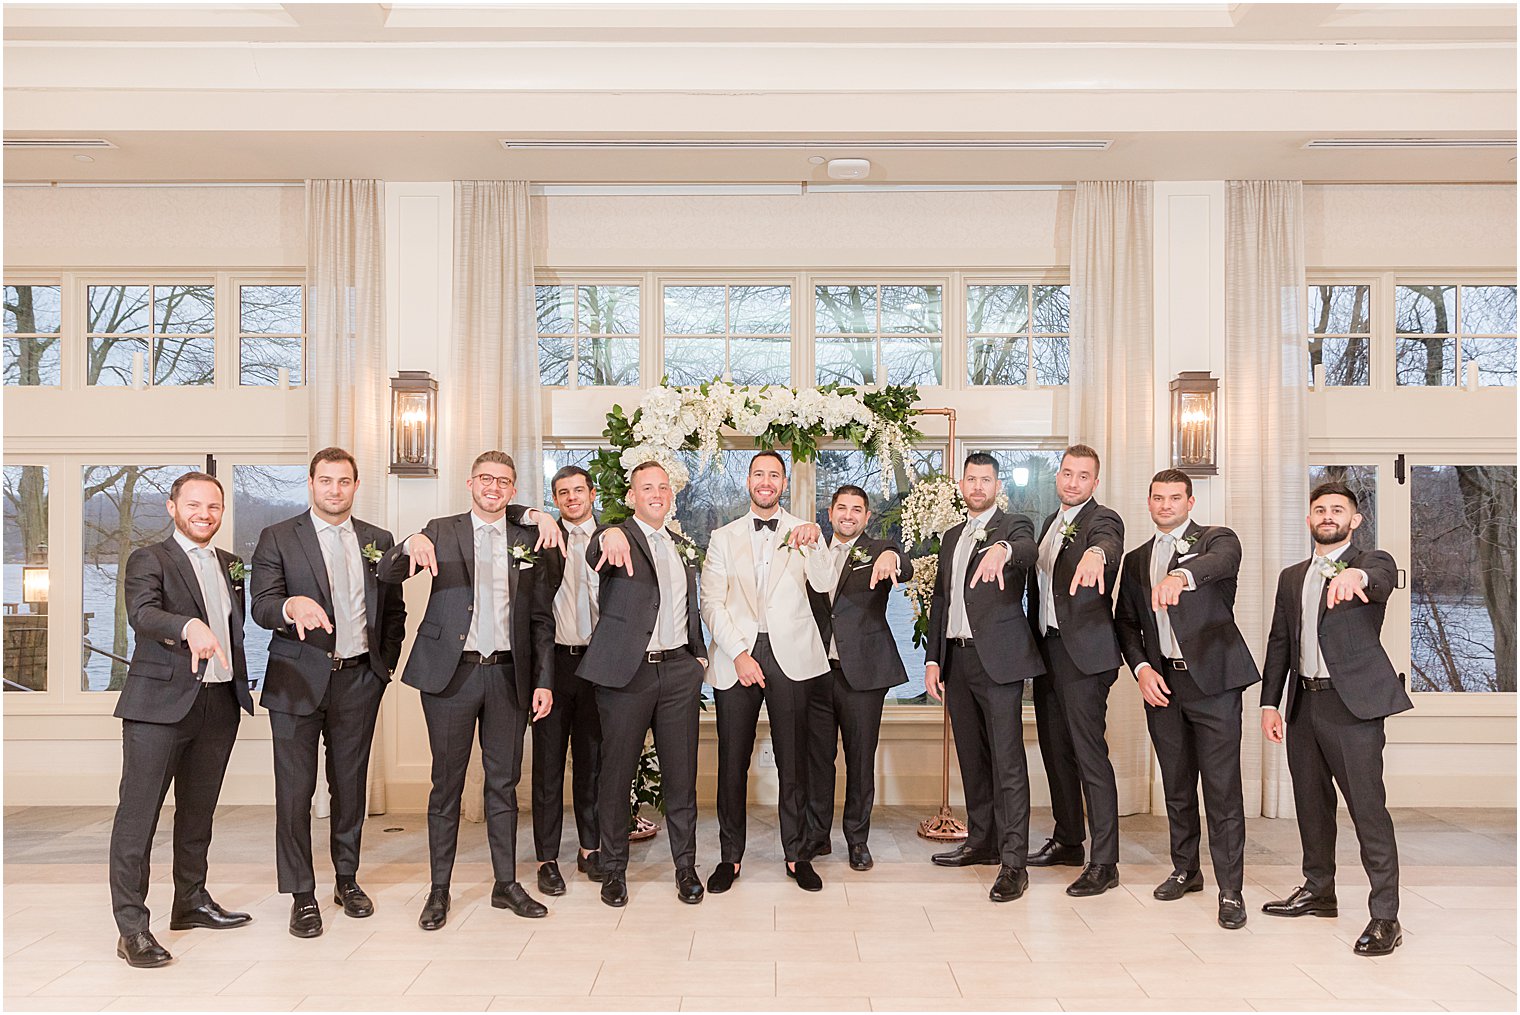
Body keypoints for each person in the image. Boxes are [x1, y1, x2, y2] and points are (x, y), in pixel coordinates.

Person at [376, 451, 558, 929]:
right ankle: (439, 890)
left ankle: (505, 884)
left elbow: (540, 617)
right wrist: (409, 542)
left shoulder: (527, 538)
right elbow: (387, 573)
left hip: (508, 676)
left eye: (503, 481)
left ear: (513, 491)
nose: (493, 487)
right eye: (485, 479)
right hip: (449, 675)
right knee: (446, 785)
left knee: (504, 784)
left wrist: (542, 680)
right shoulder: (440, 529)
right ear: (469, 482)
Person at [250, 446, 407, 938]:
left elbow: (393, 613)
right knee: (295, 792)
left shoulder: (378, 540)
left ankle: (346, 878)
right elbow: (261, 604)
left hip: (360, 680)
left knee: (350, 787)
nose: (334, 490)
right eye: (326, 481)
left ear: (355, 486)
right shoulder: (278, 537)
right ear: (311, 484)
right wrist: (290, 605)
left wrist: (381, 670)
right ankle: (301, 893)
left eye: (344, 481)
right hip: (296, 680)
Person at [108, 471, 256, 968]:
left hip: (218, 704)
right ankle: (132, 929)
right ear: (173, 508)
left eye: (213, 506)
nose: (204, 514)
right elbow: (143, 614)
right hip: (158, 708)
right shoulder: (150, 559)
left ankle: (190, 902)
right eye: (194, 505)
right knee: (138, 818)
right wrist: (188, 625)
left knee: (198, 813)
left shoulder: (231, 564)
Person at [1260, 481, 1412, 956]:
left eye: (1338, 509)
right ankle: (1319, 890)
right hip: (1304, 704)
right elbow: (1280, 641)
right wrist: (1270, 702)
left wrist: (1357, 578)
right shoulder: (1291, 576)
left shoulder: (1372, 561)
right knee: (1311, 804)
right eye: (1320, 509)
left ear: (1354, 520)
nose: (1328, 515)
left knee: (1368, 811)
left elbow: (1381, 576)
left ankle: (1385, 917)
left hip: (1353, 707)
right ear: (1309, 519)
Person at [1113, 469, 1259, 930]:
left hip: (1213, 683)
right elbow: (1125, 623)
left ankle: (1231, 890)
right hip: (1163, 686)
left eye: (1175, 498)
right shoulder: (1136, 560)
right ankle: (1185, 869)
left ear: (1190, 502)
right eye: (1157, 498)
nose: (1166, 505)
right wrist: (1141, 669)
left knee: (1221, 789)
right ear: (1149, 502)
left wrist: (1181, 576)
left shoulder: (1218, 540)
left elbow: (1222, 561)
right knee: (1176, 785)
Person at [577, 460, 708, 908]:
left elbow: (687, 604)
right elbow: (597, 551)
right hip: (625, 674)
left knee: (682, 775)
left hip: (677, 673)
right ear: (631, 497)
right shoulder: (617, 536)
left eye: (663, 487)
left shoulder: (679, 545)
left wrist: (699, 655)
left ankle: (686, 868)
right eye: (646, 487)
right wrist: (608, 532)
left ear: (672, 495)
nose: (656, 493)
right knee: (616, 776)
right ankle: (613, 871)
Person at [699, 451, 830, 893]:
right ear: (748, 480)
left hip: (792, 653)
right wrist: (738, 652)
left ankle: (797, 855)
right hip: (738, 652)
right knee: (732, 760)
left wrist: (814, 544)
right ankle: (729, 858)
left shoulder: (804, 530)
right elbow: (711, 603)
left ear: (785, 483)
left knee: (794, 761)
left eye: (775, 475)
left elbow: (825, 584)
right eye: (759, 473)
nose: (766, 481)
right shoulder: (722, 537)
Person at [923, 453, 1042, 904]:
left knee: (1008, 763)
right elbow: (941, 600)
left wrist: (1003, 548)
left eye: (985, 480)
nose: (977, 486)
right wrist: (933, 660)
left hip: (1000, 662)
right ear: (960, 483)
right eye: (970, 479)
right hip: (957, 660)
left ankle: (1015, 863)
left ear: (997, 484)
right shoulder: (952, 536)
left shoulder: (1015, 526)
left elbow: (1028, 552)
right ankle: (982, 841)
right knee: (972, 758)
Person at [1025, 444, 1125, 896]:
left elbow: (1108, 542)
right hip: (1047, 651)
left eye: (1083, 476)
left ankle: (1105, 861)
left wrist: (1096, 555)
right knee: (1054, 750)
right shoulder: (1049, 523)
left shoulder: (1102, 520)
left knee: (1089, 756)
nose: (1073, 482)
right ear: (1058, 475)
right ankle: (1068, 839)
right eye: (1067, 473)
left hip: (1083, 656)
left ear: (1095, 482)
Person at [800, 484, 911, 871]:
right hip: (816, 672)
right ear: (829, 513)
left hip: (863, 673)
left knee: (860, 760)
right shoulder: (811, 550)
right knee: (818, 759)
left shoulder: (879, 550)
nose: (848, 515)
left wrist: (893, 555)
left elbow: (905, 565)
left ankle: (857, 839)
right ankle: (816, 836)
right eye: (841, 508)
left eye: (857, 510)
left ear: (866, 516)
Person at [532, 465, 605, 897]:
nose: (572, 498)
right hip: (554, 666)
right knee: (547, 767)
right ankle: (546, 859)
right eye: (563, 493)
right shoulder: (541, 539)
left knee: (593, 764)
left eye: (579, 490)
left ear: (592, 494)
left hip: (599, 668)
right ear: (554, 500)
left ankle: (590, 849)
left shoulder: (614, 537)